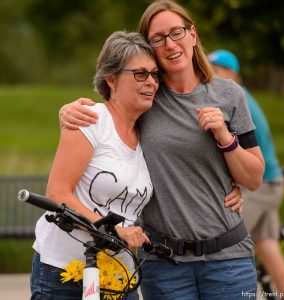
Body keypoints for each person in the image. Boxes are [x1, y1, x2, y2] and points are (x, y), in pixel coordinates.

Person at [59, 1, 265, 299]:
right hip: (165, 263)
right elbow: (107, 114)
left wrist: (225, 138)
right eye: (158, 38)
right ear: (150, 48)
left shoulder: (229, 94)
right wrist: (66, 111)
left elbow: (255, 178)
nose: (170, 43)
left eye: (177, 32)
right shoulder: (146, 96)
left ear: (193, 34)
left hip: (228, 260)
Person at [31, 31, 161, 300]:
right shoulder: (90, 120)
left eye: (154, 74)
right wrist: (115, 230)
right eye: (140, 74)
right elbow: (57, 193)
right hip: (63, 272)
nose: (151, 82)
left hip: (118, 275)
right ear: (111, 79)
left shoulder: (148, 136)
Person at [209, 49, 284, 299]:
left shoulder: (232, 98)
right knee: (267, 246)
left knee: (229, 247)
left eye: (218, 69)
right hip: (273, 181)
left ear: (232, 72)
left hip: (260, 183)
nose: (212, 74)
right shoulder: (242, 96)